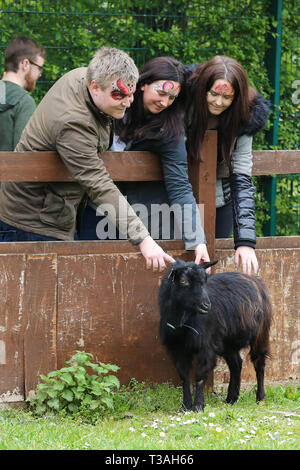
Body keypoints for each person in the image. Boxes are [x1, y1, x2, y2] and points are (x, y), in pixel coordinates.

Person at [0, 46, 175, 272]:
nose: (128, 102)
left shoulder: (87, 76)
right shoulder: (74, 124)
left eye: (131, 94)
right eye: (119, 94)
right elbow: (99, 185)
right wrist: (144, 240)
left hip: (52, 213)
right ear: (94, 86)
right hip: (30, 223)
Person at [80, 56, 210, 264]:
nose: (164, 102)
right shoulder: (111, 103)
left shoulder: (169, 130)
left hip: (140, 216)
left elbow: (180, 187)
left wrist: (198, 241)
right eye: (160, 93)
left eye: (172, 98)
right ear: (143, 84)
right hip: (97, 209)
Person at [185, 55, 270, 274]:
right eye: (214, 94)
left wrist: (245, 242)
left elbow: (242, 175)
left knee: (208, 270)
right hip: (173, 200)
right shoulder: (181, 100)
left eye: (227, 97)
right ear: (204, 87)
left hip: (218, 203)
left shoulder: (245, 117)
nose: (218, 102)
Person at [0, 36, 46, 151]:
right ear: (25, 64)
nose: (39, 74)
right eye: (39, 68)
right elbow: (23, 156)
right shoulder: (24, 102)